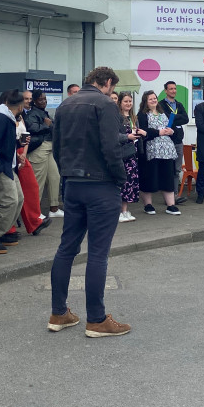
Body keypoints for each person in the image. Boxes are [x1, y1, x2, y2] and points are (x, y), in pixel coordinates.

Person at [48, 66, 130, 337]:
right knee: (97, 253)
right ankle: (96, 319)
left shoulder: (65, 104)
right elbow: (110, 147)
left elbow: (57, 147)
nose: (111, 93)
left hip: (73, 183)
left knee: (66, 249)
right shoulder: (105, 105)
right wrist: (120, 178)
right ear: (106, 83)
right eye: (111, 88)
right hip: (101, 184)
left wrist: (68, 174)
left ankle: (59, 313)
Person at [0, 90, 27, 254]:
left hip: (6, 165)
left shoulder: (4, 117)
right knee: (10, 201)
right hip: (0, 166)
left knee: (18, 199)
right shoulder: (1, 118)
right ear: (20, 106)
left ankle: (2, 232)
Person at [137, 90, 180, 215]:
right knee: (149, 177)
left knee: (167, 177)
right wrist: (158, 132)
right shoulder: (142, 115)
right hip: (151, 151)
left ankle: (171, 205)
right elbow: (143, 131)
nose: (153, 100)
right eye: (150, 99)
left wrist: (172, 132)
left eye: (155, 98)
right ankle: (148, 205)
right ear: (145, 101)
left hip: (167, 151)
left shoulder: (164, 113)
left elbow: (174, 129)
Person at [25, 90, 63, 219]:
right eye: (40, 99)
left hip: (49, 146)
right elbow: (33, 129)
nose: (44, 101)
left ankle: (54, 207)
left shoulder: (43, 112)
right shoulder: (32, 114)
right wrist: (46, 126)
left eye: (45, 99)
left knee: (55, 177)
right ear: (34, 101)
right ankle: (35, 211)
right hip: (39, 147)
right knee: (38, 181)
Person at [158, 81, 190, 203]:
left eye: (175, 88)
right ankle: (167, 195)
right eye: (171, 89)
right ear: (166, 90)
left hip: (178, 141)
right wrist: (176, 118)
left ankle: (175, 195)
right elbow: (165, 119)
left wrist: (173, 118)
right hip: (166, 141)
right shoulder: (161, 105)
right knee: (167, 169)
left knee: (177, 169)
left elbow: (186, 119)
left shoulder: (179, 104)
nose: (173, 91)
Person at [117, 91, 145, 222]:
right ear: (120, 103)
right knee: (121, 184)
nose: (128, 104)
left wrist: (139, 133)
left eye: (130, 101)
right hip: (122, 154)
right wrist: (127, 137)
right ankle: (119, 211)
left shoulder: (133, 117)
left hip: (132, 154)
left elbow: (135, 133)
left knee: (130, 184)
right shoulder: (116, 117)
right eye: (125, 101)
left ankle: (125, 210)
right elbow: (113, 136)